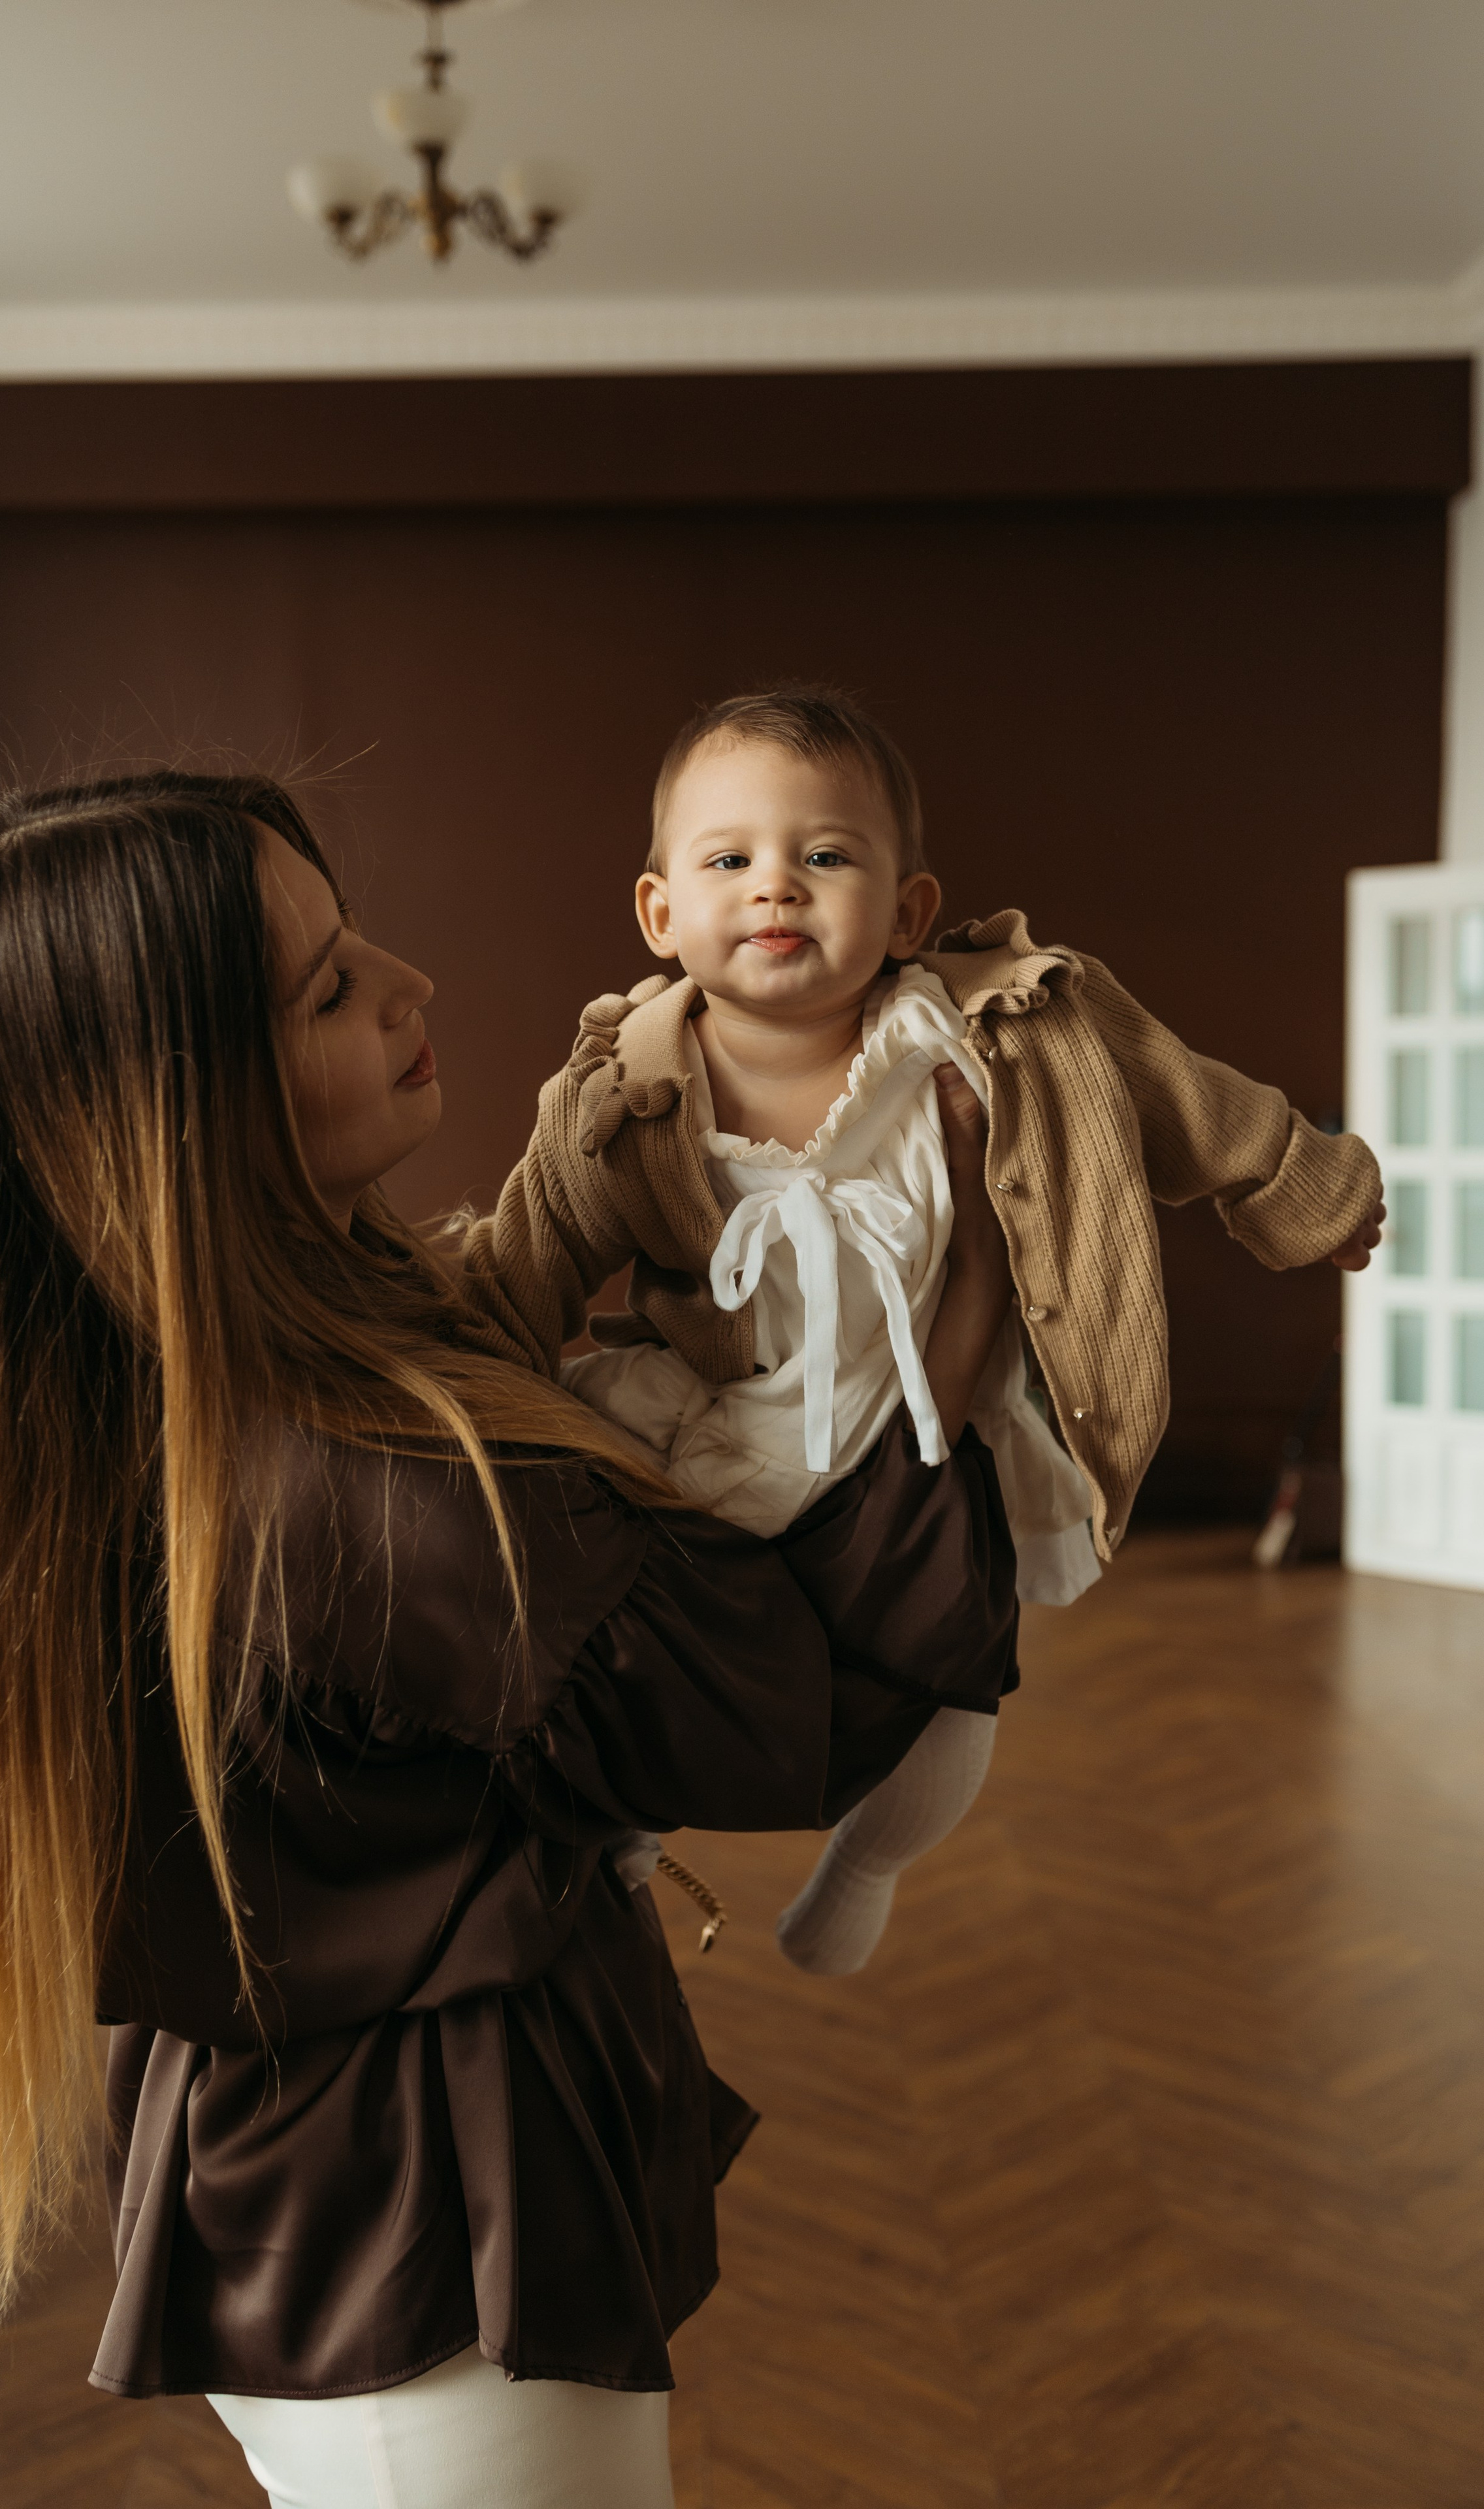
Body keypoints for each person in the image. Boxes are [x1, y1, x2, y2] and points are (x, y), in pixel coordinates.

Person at [0, 770, 1023, 2509]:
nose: (410, 986)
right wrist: (957, 1317)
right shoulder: (375, 1490)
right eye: (328, 989)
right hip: (430, 2259)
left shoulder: (115, 1392)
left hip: (296, 2181)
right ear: (172, 1116)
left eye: (358, 937)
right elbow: (809, 1700)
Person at [460, 687, 1386, 1975]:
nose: (776, 885)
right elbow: (525, 1259)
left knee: (951, 1693)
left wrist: (1300, 1186)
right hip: (713, 1421)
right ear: (660, 914)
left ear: (905, 910)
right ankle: (620, 1823)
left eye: (824, 855)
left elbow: (1172, 1093)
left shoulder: (993, 1034)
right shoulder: (623, 1097)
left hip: (916, 1419)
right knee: (622, 1645)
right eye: (729, 860)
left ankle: (868, 1864)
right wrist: (429, 1377)